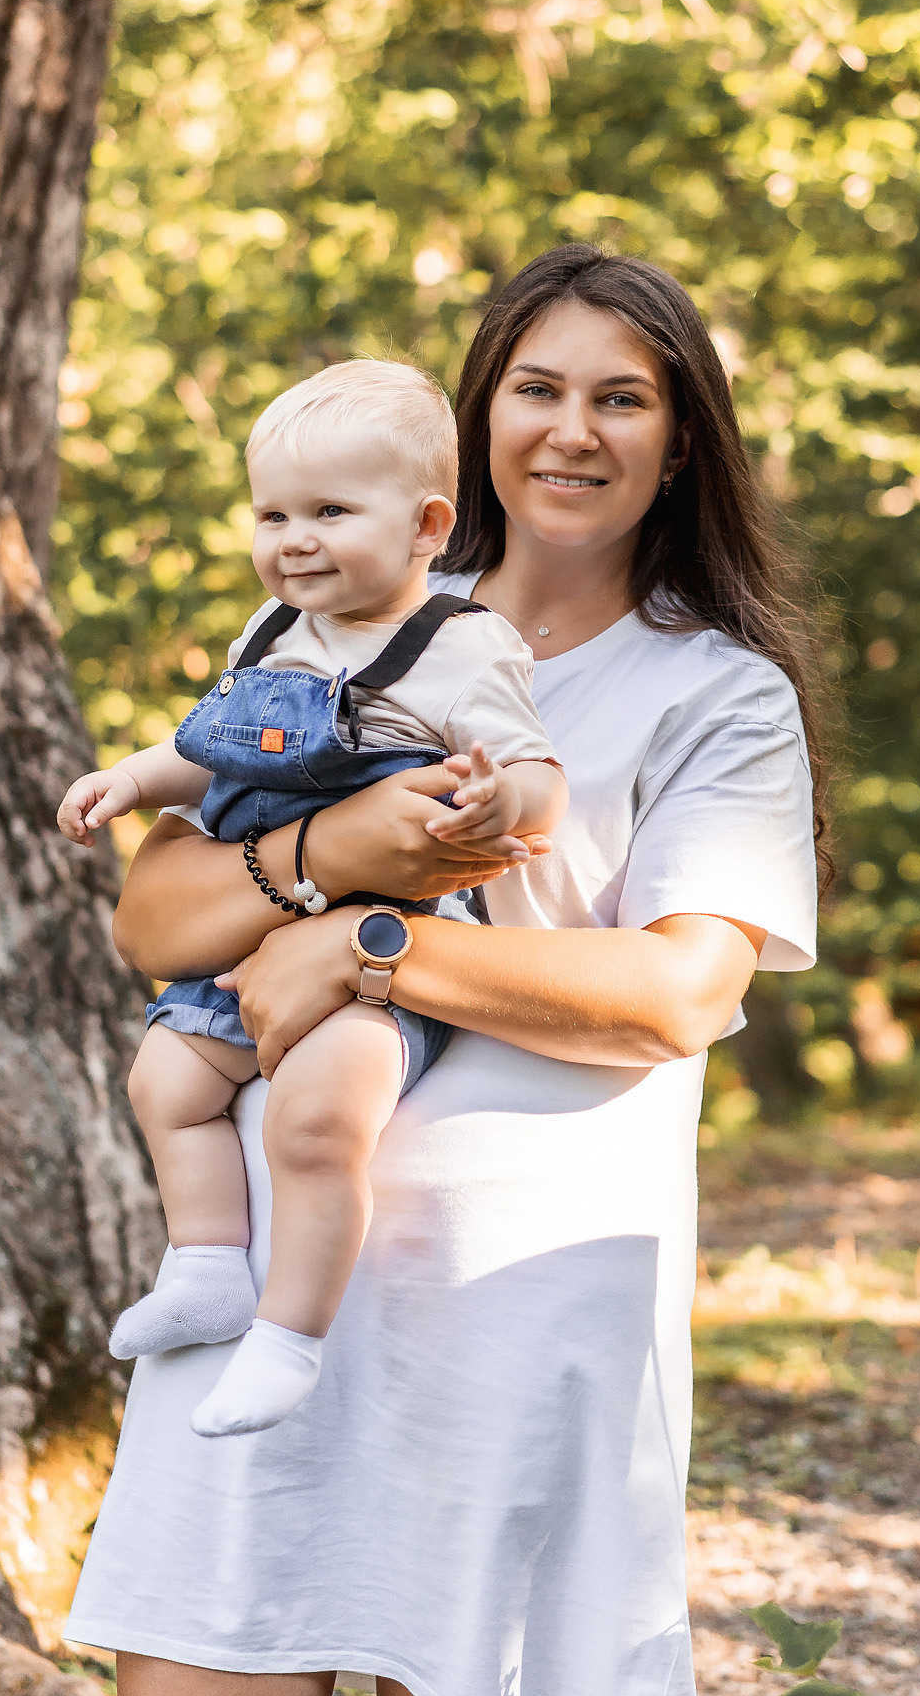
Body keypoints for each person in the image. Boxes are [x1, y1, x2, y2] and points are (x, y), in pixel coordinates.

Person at [66, 244, 826, 1696]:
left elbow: (677, 992)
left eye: (623, 398)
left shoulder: (719, 694)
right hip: (276, 1294)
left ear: (680, 445)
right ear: (475, 421)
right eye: (536, 388)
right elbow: (158, 916)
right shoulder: (329, 602)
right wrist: (335, 848)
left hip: (522, 1312)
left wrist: (376, 948)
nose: (572, 429)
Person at [56, 360, 565, 1434]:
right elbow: (208, 750)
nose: (293, 538)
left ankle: (290, 1335)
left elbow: (538, 776)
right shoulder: (270, 633)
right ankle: (206, 1264)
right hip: (249, 939)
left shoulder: (461, 644)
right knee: (166, 1081)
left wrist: (493, 798)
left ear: (428, 523)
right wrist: (131, 781)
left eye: (331, 511)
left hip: (386, 963)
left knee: (318, 1120)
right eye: (273, 512)